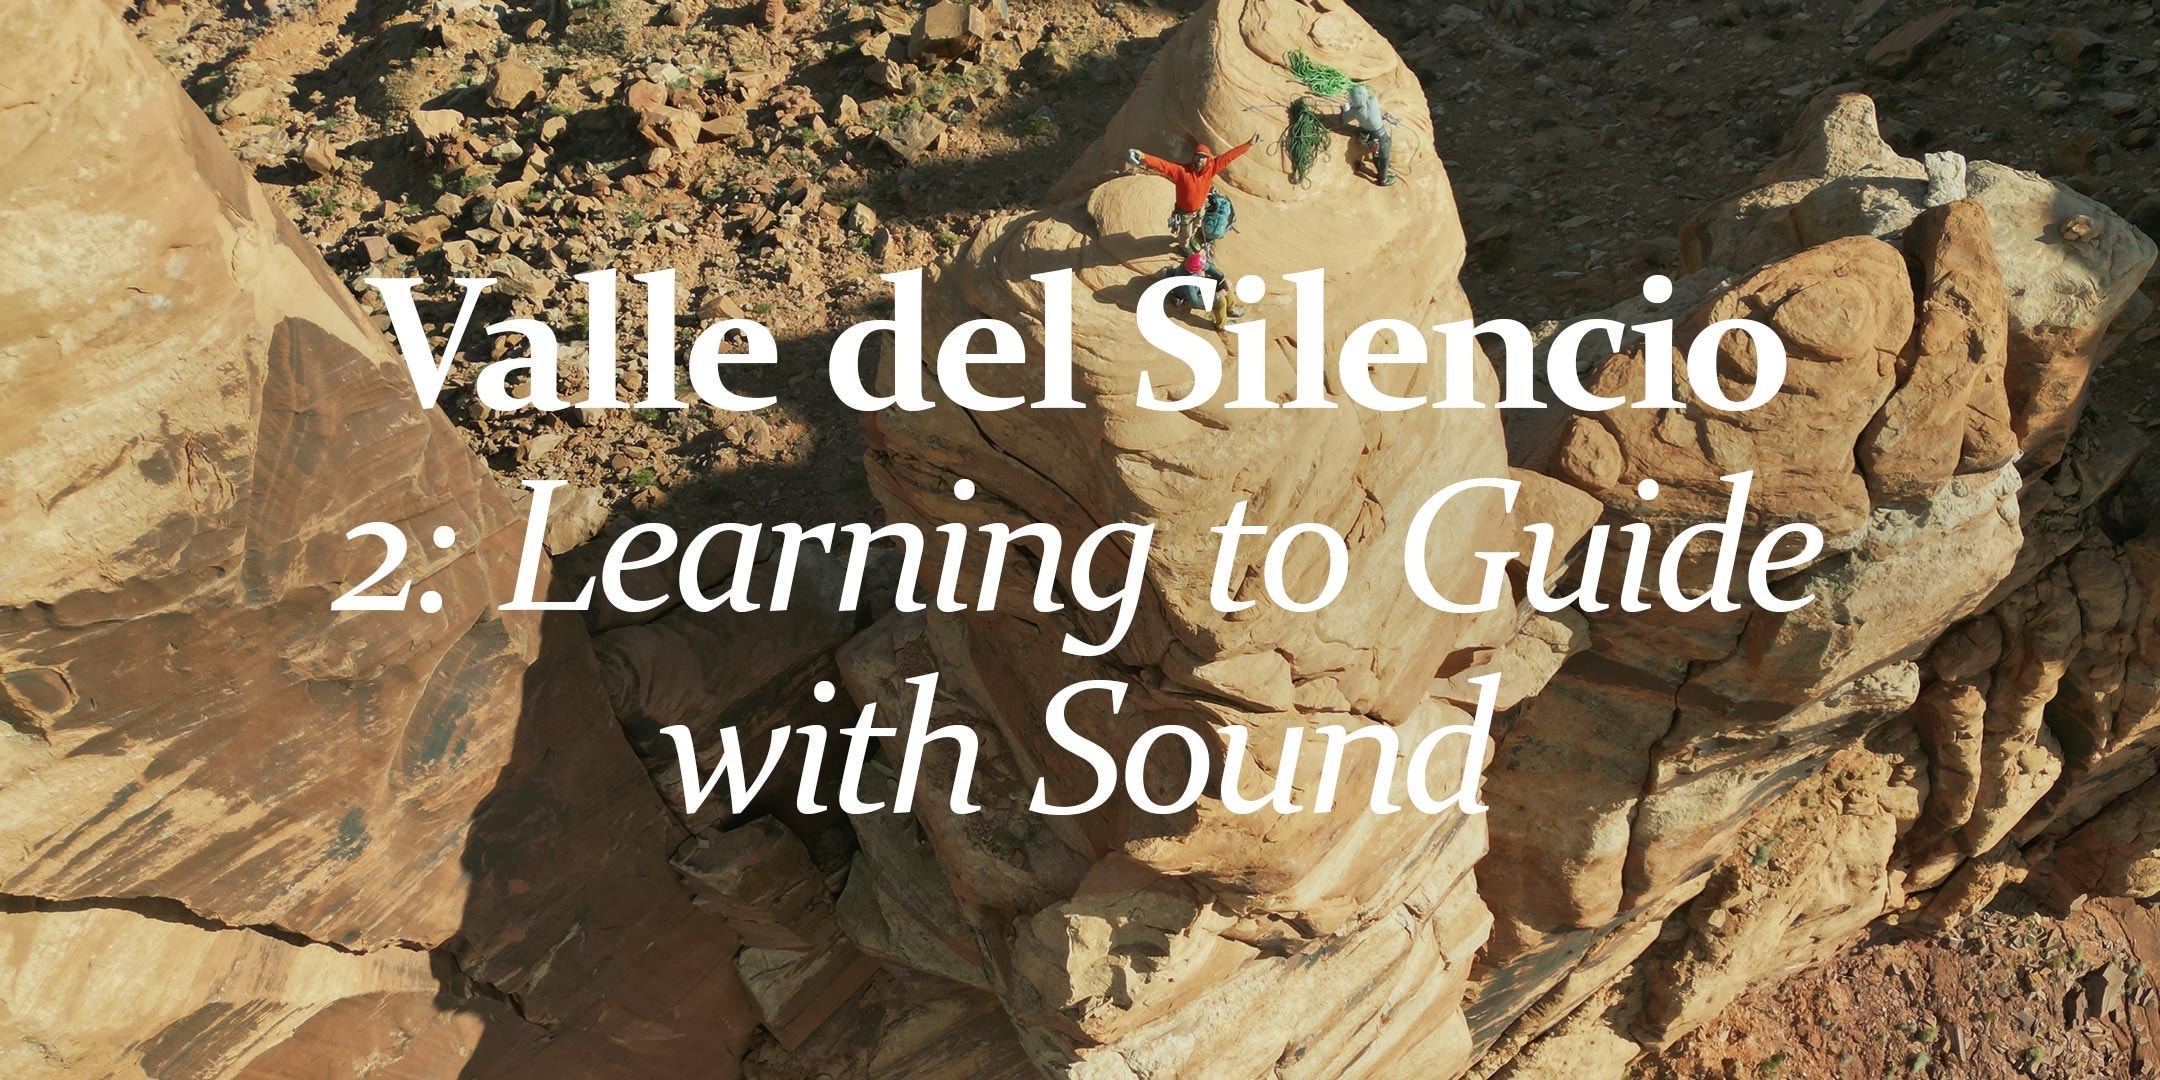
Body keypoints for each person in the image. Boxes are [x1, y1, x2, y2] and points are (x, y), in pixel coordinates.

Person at [1126, 137, 1259, 253]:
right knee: (1184, 235)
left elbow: (1228, 157)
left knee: (1195, 227)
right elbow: (1163, 165)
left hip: (1199, 211)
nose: (1200, 160)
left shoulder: (1211, 169)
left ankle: (1192, 239)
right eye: (1197, 156)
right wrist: (1143, 157)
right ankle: (1184, 246)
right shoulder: (1182, 171)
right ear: (1193, 157)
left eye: (1203, 157)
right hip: (1184, 214)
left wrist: (1248, 144)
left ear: (1207, 160)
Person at [1340, 84, 1396, 187]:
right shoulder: (1373, 100)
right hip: (1380, 136)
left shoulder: (1357, 112)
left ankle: (1381, 174)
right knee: (1384, 157)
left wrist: (1346, 110)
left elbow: (1344, 120)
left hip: (1368, 137)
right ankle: (1383, 177)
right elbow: (1370, 100)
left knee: (1379, 154)